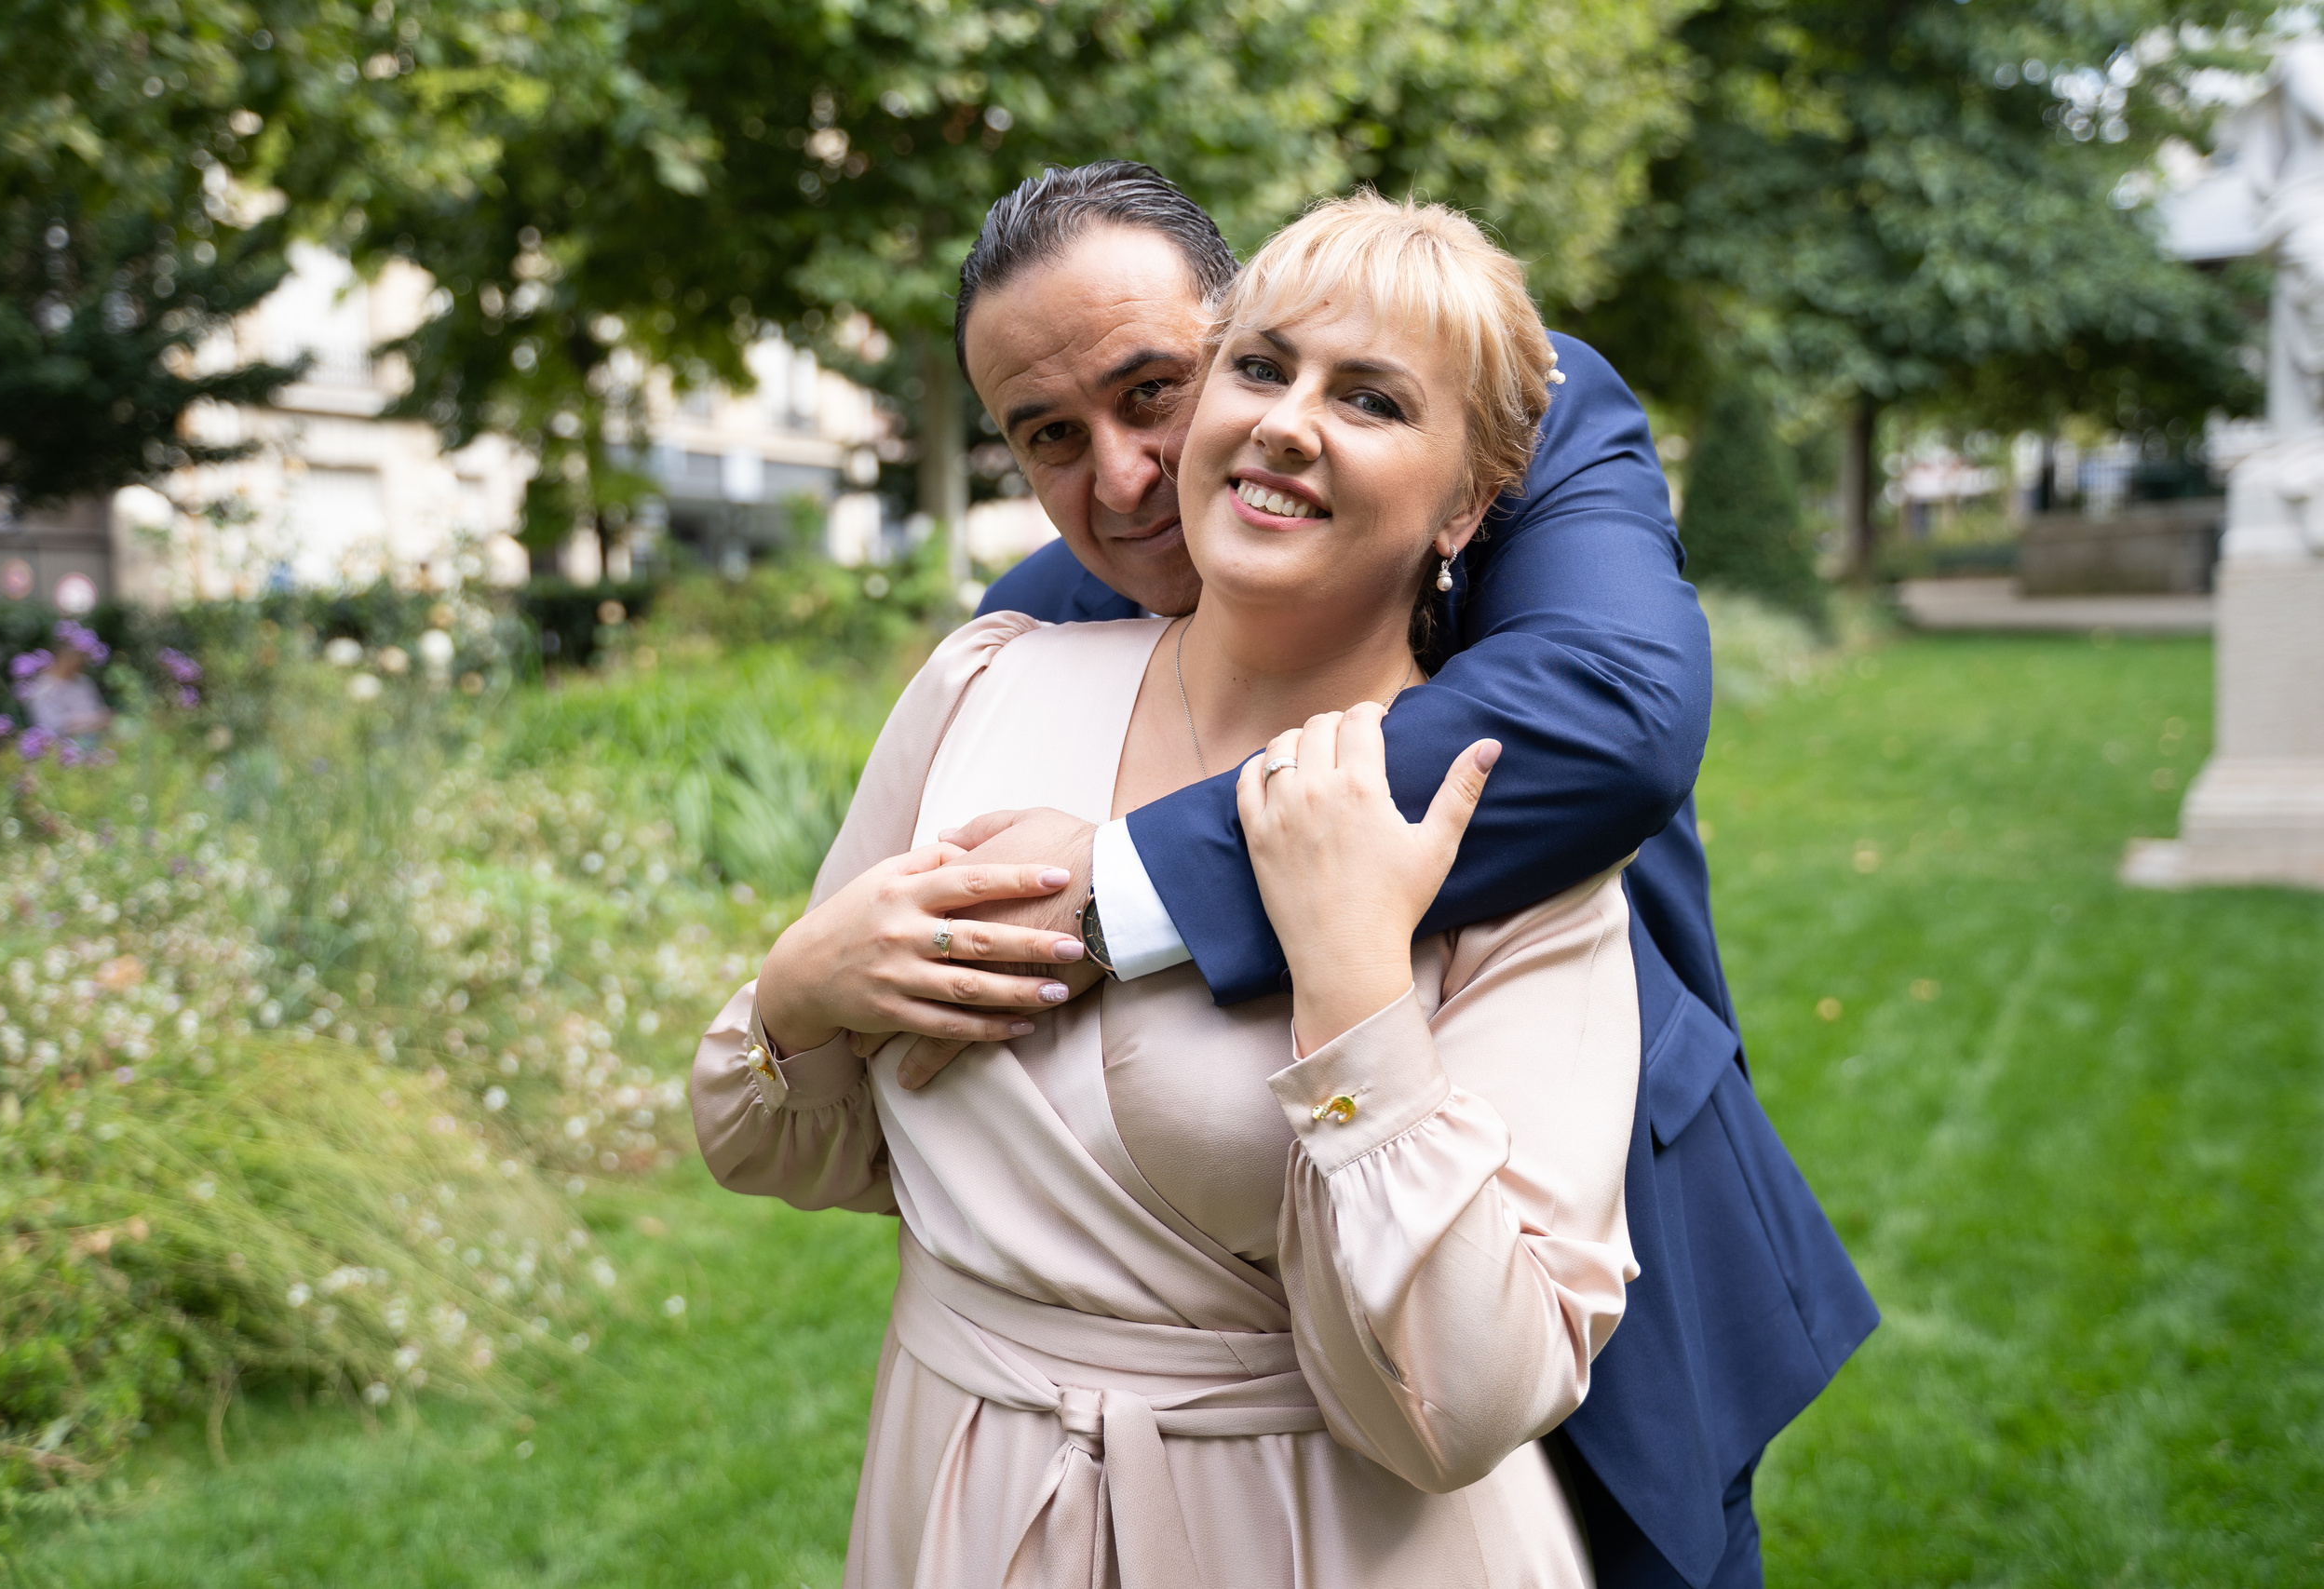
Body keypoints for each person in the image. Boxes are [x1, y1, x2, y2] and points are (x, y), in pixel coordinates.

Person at [751, 162, 1875, 1588]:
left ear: (1233, 329)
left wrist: (1115, 892)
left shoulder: (1511, 393)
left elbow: (1615, 713)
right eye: (1047, 435)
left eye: (1152, 389)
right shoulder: (1030, 640)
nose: (1122, 475)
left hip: (1602, 1199)